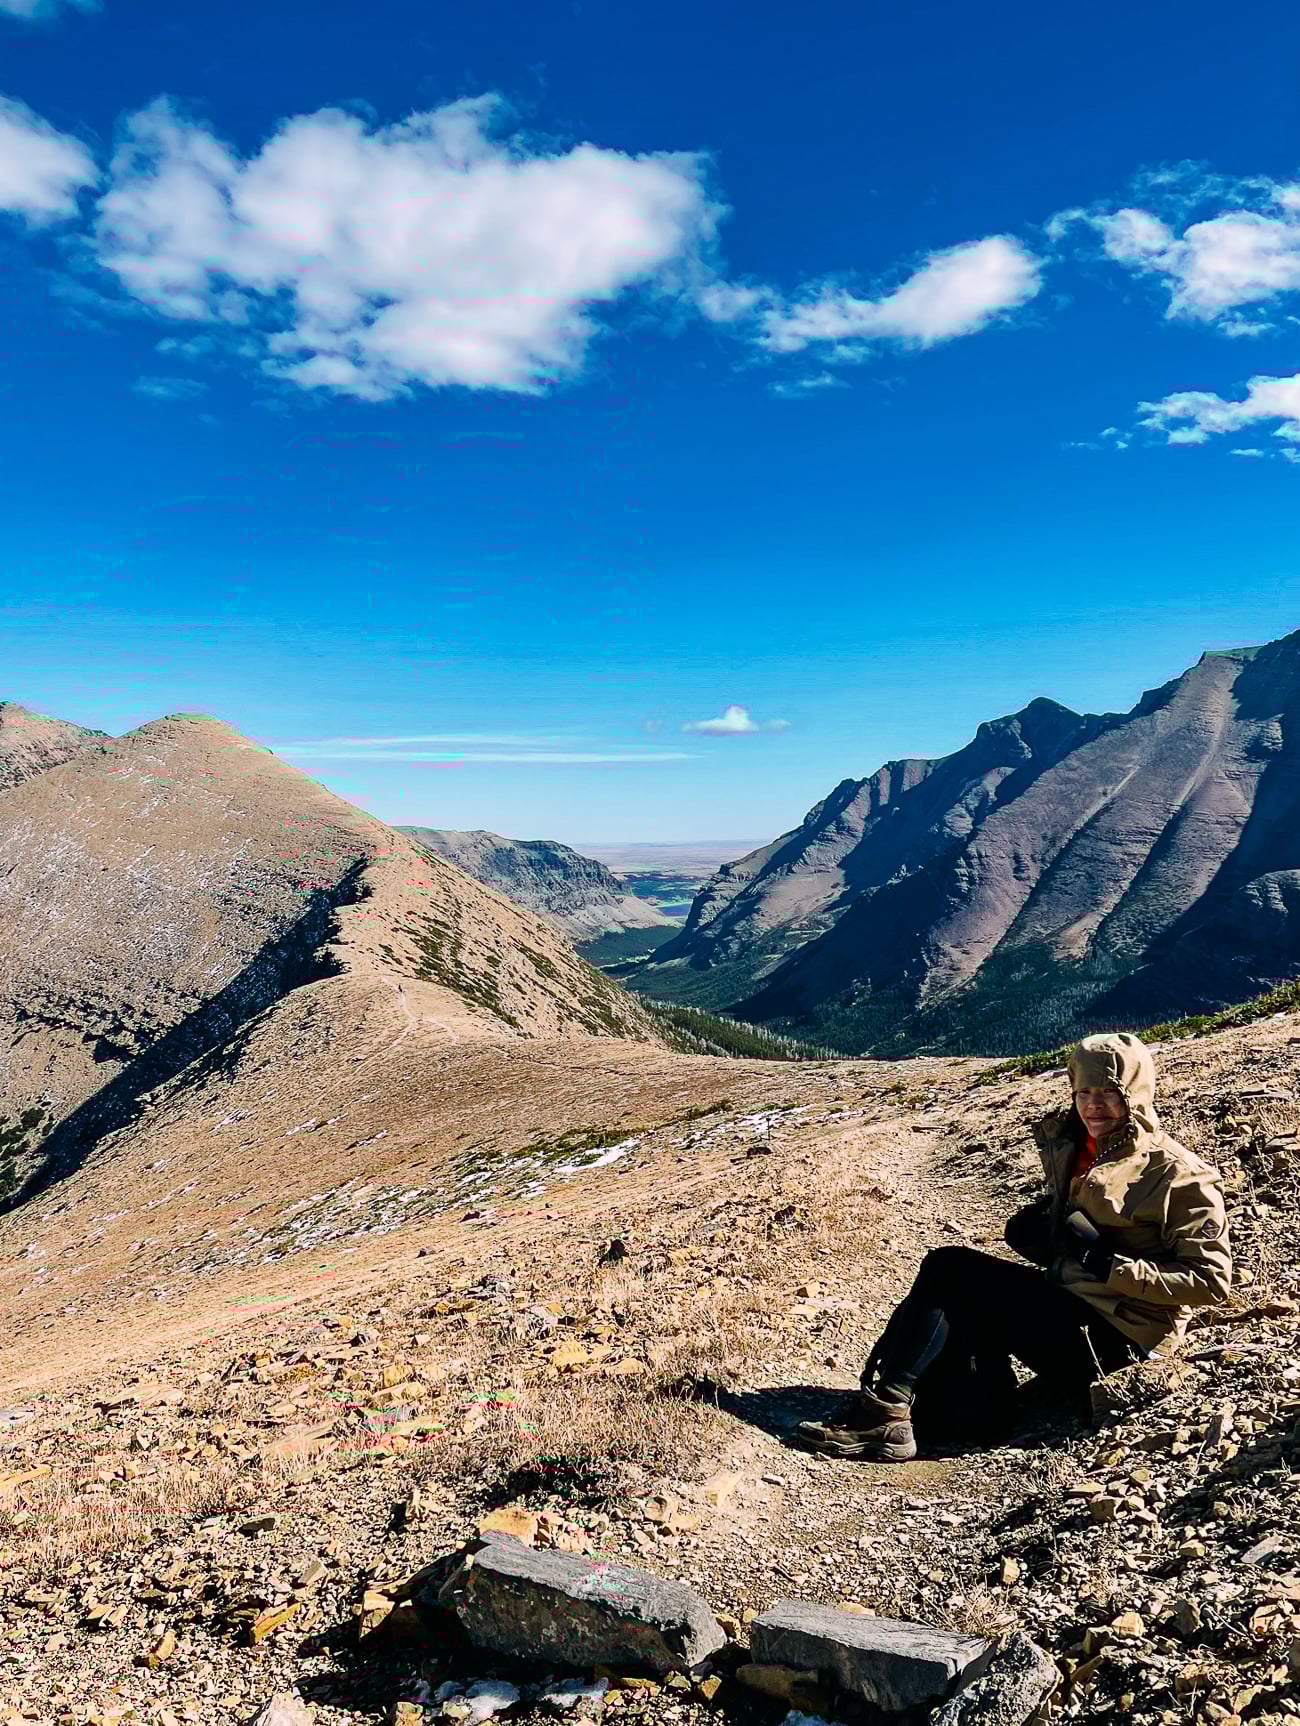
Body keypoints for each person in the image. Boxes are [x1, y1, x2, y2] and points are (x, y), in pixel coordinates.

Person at [798, 1031, 1232, 1461]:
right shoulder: (1081, 1148)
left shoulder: (1180, 1175)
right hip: (1075, 1307)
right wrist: (1044, 1237)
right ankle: (970, 1413)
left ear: (1135, 1094)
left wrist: (1105, 1263)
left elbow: (1211, 1282)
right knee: (960, 1311)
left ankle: (882, 1414)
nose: (1094, 1105)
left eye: (1109, 1093)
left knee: (950, 1269)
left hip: (1124, 1340)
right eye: (1084, 1092)